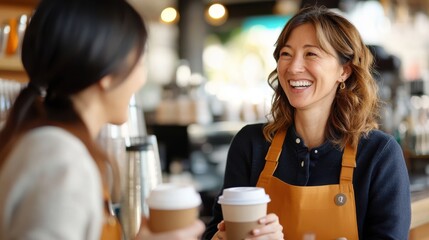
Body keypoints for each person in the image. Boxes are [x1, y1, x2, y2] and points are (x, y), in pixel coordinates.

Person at [0, 0, 205, 239]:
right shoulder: (61, 161)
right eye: (139, 61)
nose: (142, 77)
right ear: (107, 74)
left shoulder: (42, 142)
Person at [203, 5, 411, 240]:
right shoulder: (250, 145)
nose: (293, 67)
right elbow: (215, 231)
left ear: (344, 70)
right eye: (286, 54)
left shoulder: (378, 154)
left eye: (311, 54)